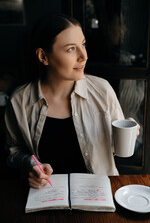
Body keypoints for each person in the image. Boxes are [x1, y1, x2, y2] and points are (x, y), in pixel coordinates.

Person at [5, 13, 140, 189]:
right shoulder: (19, 101)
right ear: (43, 57)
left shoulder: (102, 90)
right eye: (71, 49)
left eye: (83, 44)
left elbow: (115, 148)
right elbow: (14, 151)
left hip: (97, 195)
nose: (83, 56)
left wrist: (129, 132)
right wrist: (30, 166)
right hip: (46, 197)